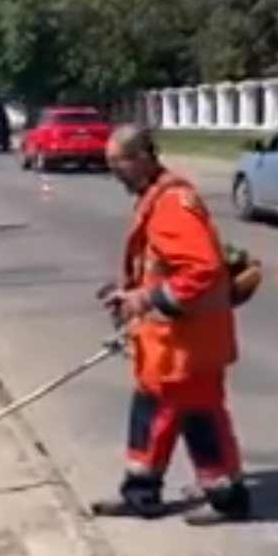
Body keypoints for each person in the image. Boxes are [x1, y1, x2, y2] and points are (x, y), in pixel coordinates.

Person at [100, 123, 253, 520]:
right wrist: (128, 290)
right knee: (154, 414)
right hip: (168, 343)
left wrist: (144, 298)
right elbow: (160, 266)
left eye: (119, 163)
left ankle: (227, 497)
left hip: (188, 344)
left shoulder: (172, 204)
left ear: (144, 157)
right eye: (110, 164)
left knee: (199, 418)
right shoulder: (154, 197)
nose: (114, 173)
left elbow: (201, 270)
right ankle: (142, 493)